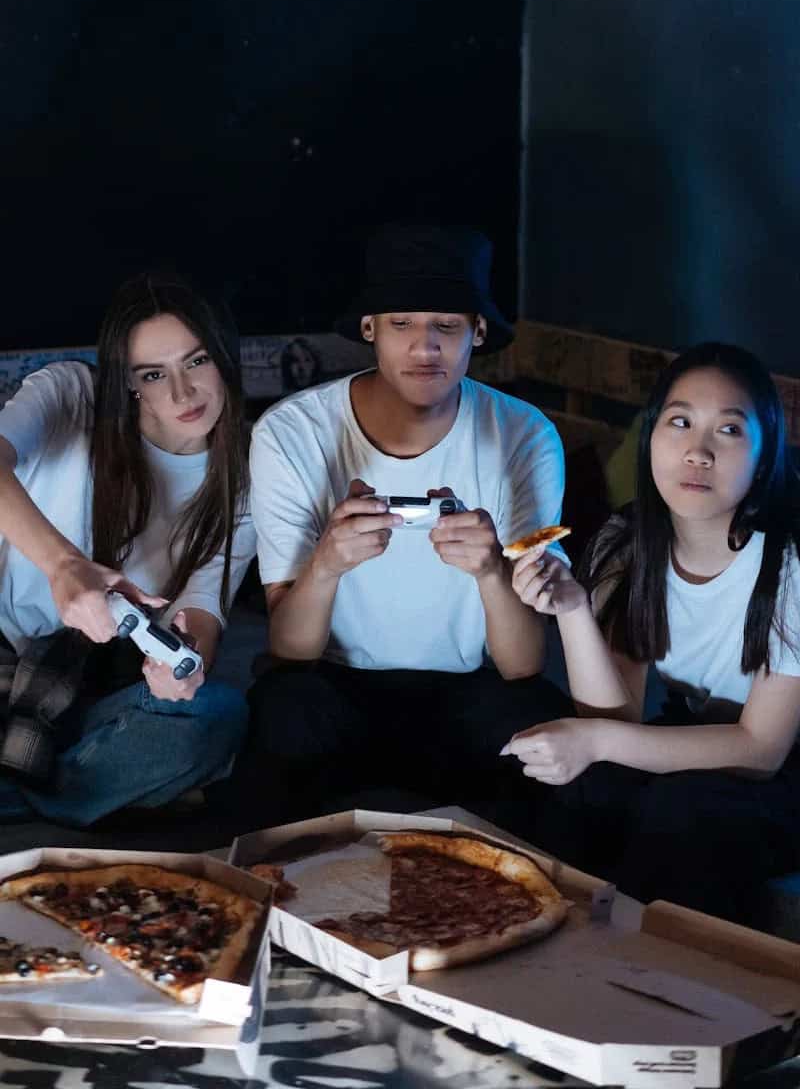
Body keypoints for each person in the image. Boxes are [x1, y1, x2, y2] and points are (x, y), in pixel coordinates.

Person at [229, 223, 571, 828]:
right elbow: (288, 649)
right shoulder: (292, 432)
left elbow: (522, 666)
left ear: (479, 333)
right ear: (370, 330)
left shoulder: (524, 434)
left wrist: (492, 572)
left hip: (466, 692)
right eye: (402, 324)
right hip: (333, 686)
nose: (424, 348)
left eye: (446, 326)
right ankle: (272, 911)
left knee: (538, 729)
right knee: (281, 711)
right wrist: (328, 564)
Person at [503, 342, 800, 924]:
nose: (698, 451)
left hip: (788, 767)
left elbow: (761, 752)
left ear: (764, 459)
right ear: (652, 437)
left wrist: (593, 742)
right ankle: (541, 955)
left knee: (679, 807)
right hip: (706, 740)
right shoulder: (629, 541)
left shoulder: (788, 563)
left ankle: (672, 988)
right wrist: (572, 609)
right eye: (681, 422)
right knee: (583, 785)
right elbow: (616, 720)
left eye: (730, 431)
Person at [0, 271, 255, 827]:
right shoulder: (72, 395)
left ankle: (25, 793)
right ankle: (71, 792)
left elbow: (203, 605)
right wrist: (63, 566)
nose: (182, 393)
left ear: (224, 354)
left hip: (102, 689)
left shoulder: (244, 476)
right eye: (153, 374)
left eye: (197, 361)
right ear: (131, 381)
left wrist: (184, 667)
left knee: (212, 717)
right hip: (7, 659)